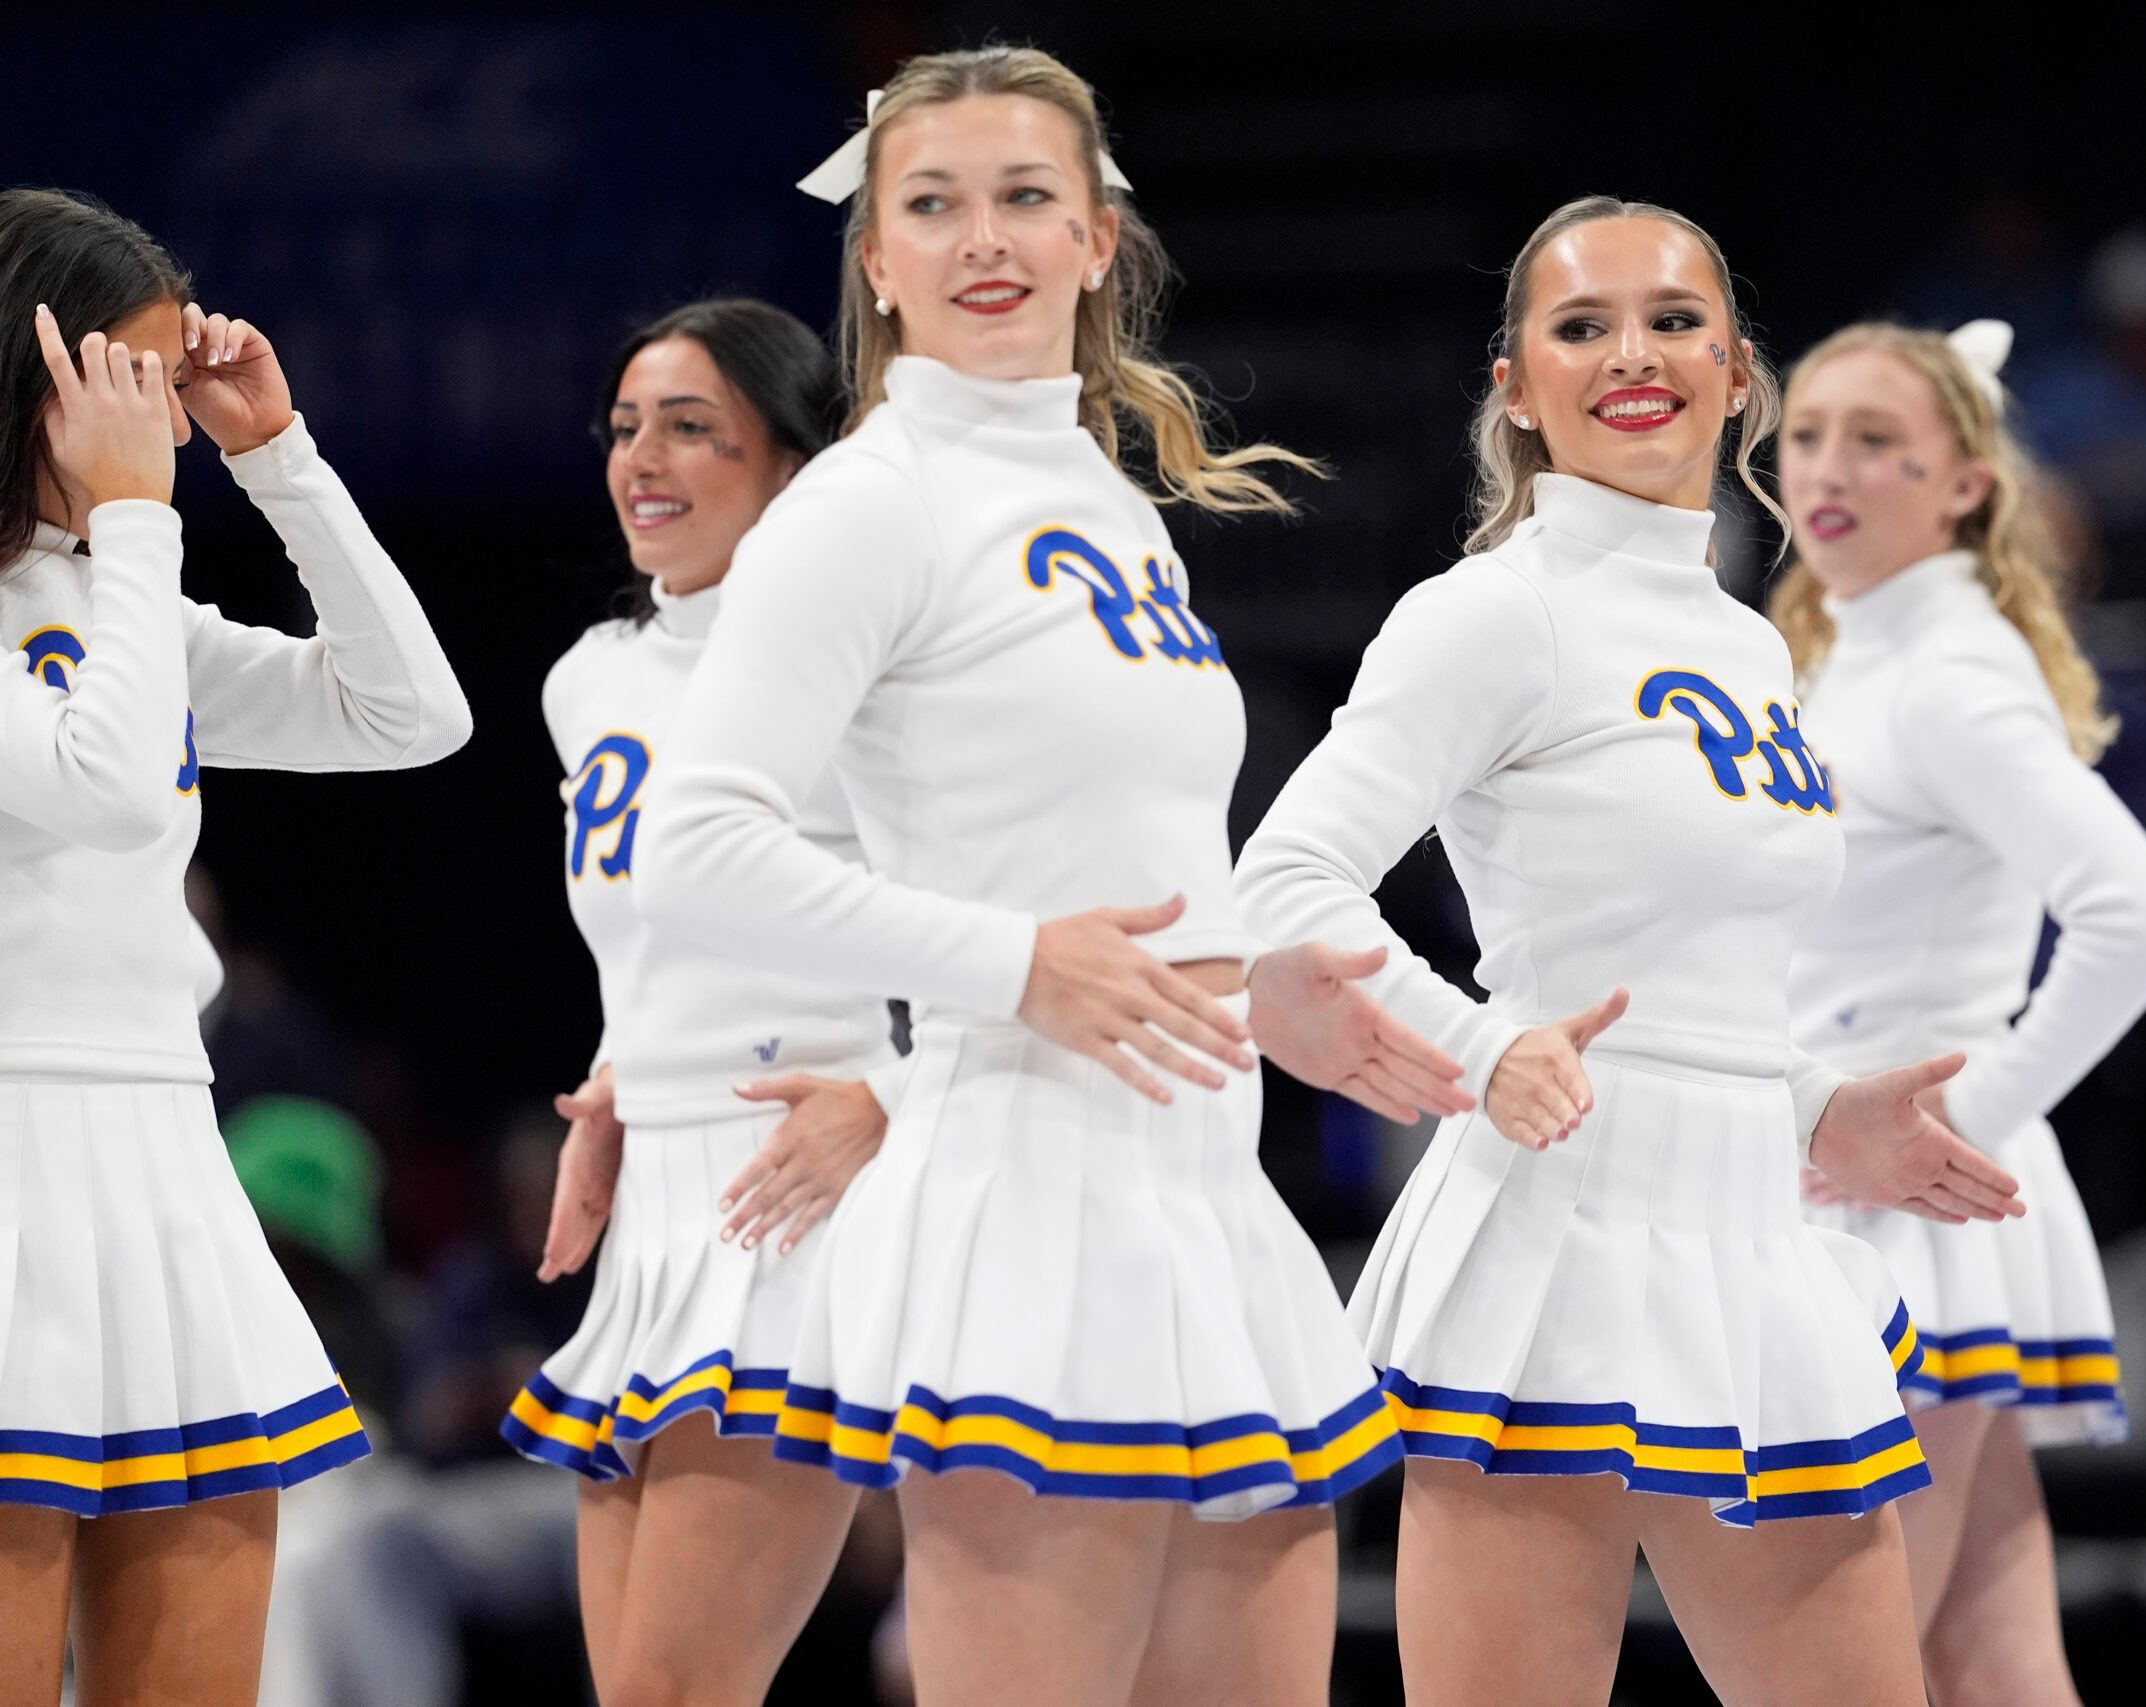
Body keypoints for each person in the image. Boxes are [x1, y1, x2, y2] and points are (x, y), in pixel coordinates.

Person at [636, 46, 1468, 1707]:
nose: (980, 239)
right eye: (930, 207)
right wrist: (1013, 973)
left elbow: (1126, 851)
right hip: (1024, 1203)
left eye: (1024, 198)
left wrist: (1259, 978)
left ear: (1100, 240)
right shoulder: (866, 505)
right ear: (876, 259)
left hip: (1197, 1183)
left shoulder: (1098, 491)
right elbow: (697, 849)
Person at [1235, 196, 2023, 1707]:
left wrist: (1810, 1103)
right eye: (1580, 328)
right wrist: (1475, 1046)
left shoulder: (1741, 639)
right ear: (1515, 388)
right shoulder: (1490, 617)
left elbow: (1693, 971)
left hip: (1750, 1234)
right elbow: (1284, 879)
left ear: (1740, 374)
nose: (1632, 355)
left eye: (1673, 320)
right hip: (1558, 1234)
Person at [0, 186, 471, 1707]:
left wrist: (281, 456)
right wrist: (139, 517)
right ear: (33, 375)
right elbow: (106, 785)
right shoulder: (118, 576)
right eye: (132, 380)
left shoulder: (123, 601)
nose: (169, 426)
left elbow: (409, 715)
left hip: (165, 1173)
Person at [481, 297, 915, 1703]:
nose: (642, 461)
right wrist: (616, 1093)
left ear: (793, 466)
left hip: (795, 1208)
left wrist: (887, 1100)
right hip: (659, 1218)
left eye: (691, 429)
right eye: (623, 428)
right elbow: (658, 946)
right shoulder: (586, 682)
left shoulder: (878, 676)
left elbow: (1012, 941)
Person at [1771, 318, 2146, 1703]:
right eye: (1808, 433)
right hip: (1865, 1194)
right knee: (1993, 1664)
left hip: (1902, 1214)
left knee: (1852, 1669)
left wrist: (1967, 1124)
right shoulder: (1855, 651)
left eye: (1878, 442)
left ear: (1966, 480)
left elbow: (2143, 915)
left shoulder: (1946, 676)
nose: (1830, 468)